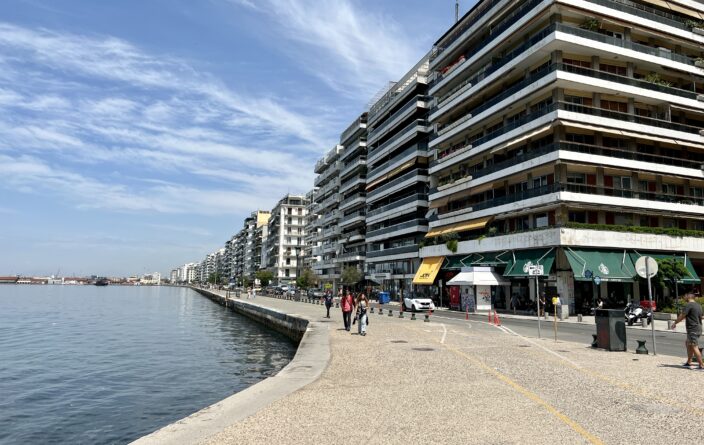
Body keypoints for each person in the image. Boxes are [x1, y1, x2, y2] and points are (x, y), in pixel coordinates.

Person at [672, 293, 703, 369]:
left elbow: (682, 315)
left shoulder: (688, 305)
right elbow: (701, 317)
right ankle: (689, 361)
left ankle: (701, 364)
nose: (684, 297)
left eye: (685, 296)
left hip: (692, 328)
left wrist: (675, 323)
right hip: (698, 327)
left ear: (689, 297)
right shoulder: (698, 305)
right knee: (688, 343)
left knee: (694, 346)